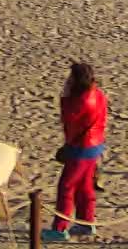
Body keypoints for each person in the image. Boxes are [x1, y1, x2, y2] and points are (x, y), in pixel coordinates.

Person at [48, 61, 107, 241]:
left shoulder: (80, 101)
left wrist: (64, 98)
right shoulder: (97, 93)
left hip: (81, 147)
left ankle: (59, 229)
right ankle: (86, 223)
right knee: (85, 187)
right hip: (94, 145)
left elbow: (69, 119)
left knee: (67, 187)